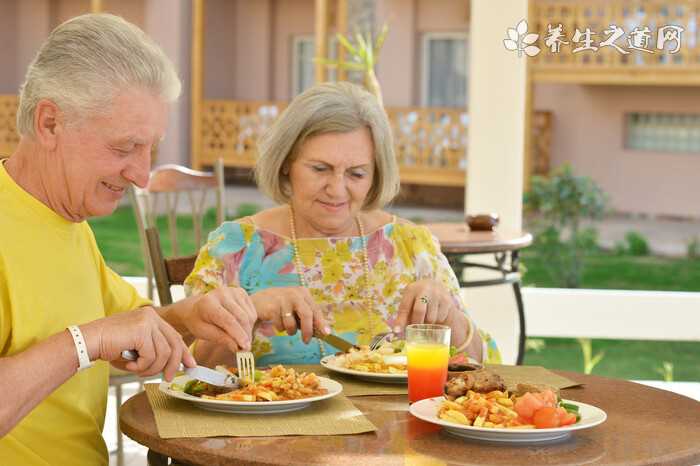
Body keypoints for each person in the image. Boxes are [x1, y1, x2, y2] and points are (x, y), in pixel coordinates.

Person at [0, 14, 257, 465]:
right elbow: (98, 336)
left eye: (150, 150)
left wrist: (190, 315)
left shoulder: (65, 216)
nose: (141, 175)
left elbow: (124, 329)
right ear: (50, 123)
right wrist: (89, 341)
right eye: (123, 148)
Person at [185, 82, 501, 367]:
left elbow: (483, 363)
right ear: (285, 165)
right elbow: (190, 369)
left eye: (356, 173)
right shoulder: (235, 248)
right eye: (320, 169)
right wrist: (250, 313)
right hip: (268, 429)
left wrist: (447, 315)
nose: (337, 189)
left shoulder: (411, 246)